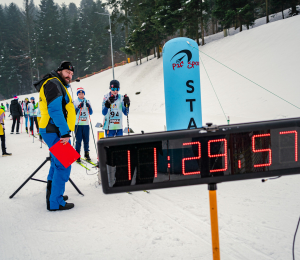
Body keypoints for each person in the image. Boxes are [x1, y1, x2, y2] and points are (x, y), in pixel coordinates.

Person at [33, 61, 76, 211]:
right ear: (59, 71)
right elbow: (55, 109)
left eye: (71, 74)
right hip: (54, 130)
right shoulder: (53, 83)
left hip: (52, 129)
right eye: (67, 72)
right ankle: (55, 202)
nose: (69, 75)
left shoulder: (56, 83)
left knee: (56, 163)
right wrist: (64, 131)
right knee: (64, 164)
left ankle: (53, 195)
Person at [73, 87, 93, 162]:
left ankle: (86, 154)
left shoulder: (87, 101)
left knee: (86, 140)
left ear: (84, 94)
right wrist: (78, 107)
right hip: (78, 124)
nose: (81, 95)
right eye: (79, 93)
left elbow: (91, 113)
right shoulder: (75, 102)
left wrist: (89, 107)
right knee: (78, 140)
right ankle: (77, 155)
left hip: (86, 124)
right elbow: (73, 113)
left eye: (82, 93)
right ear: (77, 94)